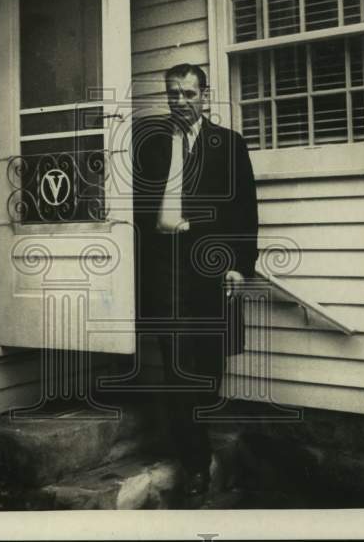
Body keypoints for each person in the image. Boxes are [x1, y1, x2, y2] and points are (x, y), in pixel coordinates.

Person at [132, 62, 259, 501]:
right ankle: (194, 462)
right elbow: (130, 203)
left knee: (207, 365)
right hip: (164, 264)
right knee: (175, 366)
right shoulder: (147, 142)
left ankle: (197, 438)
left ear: (204, 96)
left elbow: (245, 210)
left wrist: (241, 264)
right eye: (173, 93)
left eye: (189, 93)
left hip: (209, 266)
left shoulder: (228, 144)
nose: (180, 101)